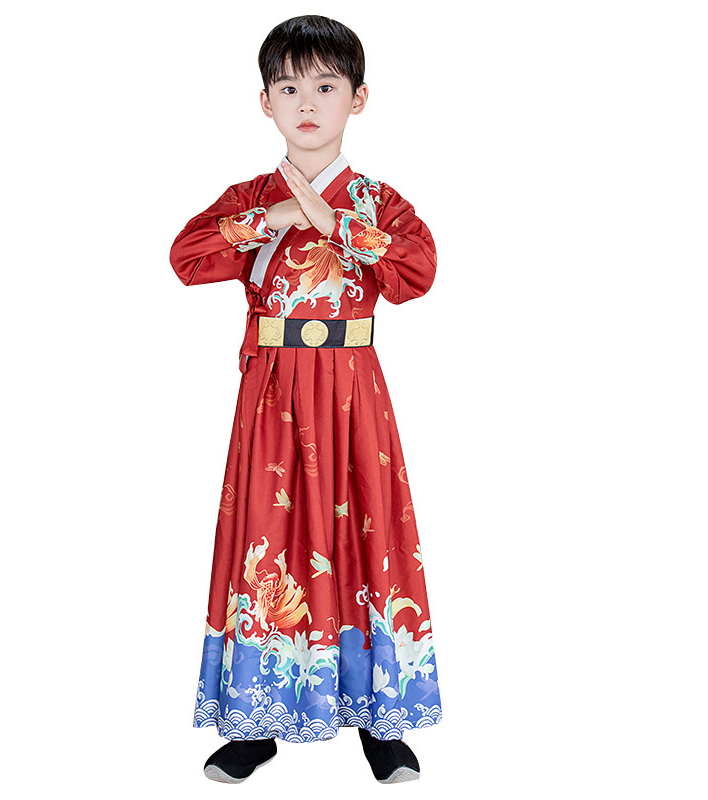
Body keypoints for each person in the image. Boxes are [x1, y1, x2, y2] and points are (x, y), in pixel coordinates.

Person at [169, 14, 442, 784]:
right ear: (266, 102)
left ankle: (379, 720)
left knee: (368, 536)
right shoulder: (251, 197)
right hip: (273, 393)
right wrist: (277, 217)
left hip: (353, 393)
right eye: (288, 88)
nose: (307, 103)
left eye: (325, 85)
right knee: (268, 537)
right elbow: (186, 257)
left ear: (359, 97)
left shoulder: (379, 202)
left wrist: (336, 223)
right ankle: (254, 722)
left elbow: (417, 273)